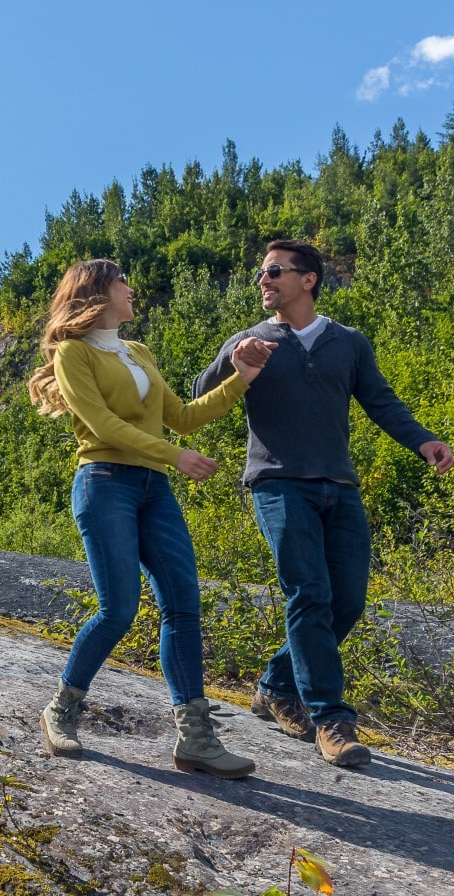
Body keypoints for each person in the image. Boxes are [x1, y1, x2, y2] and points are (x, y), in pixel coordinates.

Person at [193, 239, 454, 767]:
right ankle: (330, 719)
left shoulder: (348, 343)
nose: (263, 281)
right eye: (261, 273)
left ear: (308, 279)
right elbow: (197, 397)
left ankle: (274, 686)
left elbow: (380, 400)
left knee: (347, 601)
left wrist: (422, 439)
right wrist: (233, 365)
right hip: (278, 483)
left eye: (273, 272)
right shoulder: (249, 340)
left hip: (340, 485)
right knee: (308, 592)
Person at [30, 258, 276, 778]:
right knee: (117, 609)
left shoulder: (137, 352)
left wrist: (242, 377)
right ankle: (62, 708)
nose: (132, 288)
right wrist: (174, 455)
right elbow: (101, 424)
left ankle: (196, 740)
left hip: (152, 489)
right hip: (103, 483)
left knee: (183, 606)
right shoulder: (73, 353)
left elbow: (183, 416)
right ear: (98, 291)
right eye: (123, 281)